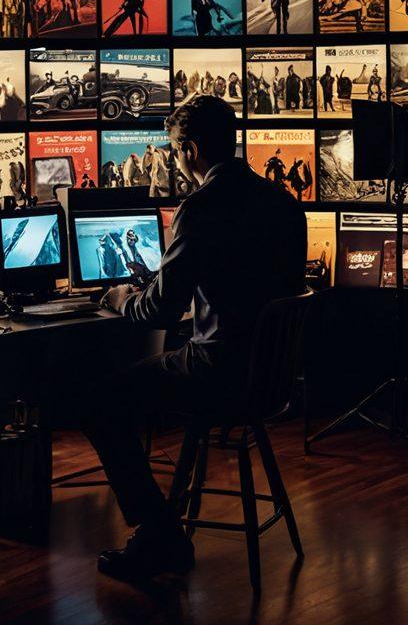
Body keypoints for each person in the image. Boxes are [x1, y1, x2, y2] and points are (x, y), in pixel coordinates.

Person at [84, 96, 307, 582]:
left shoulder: (200, 208)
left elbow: (160, 310)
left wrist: (121, 298)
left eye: (174, 150)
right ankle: (162, 533)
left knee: (101, 403)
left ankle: (158, 535)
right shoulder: (284, 204)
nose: (175, 160)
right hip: (271, 379)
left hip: (218, 373)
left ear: (190, 150)